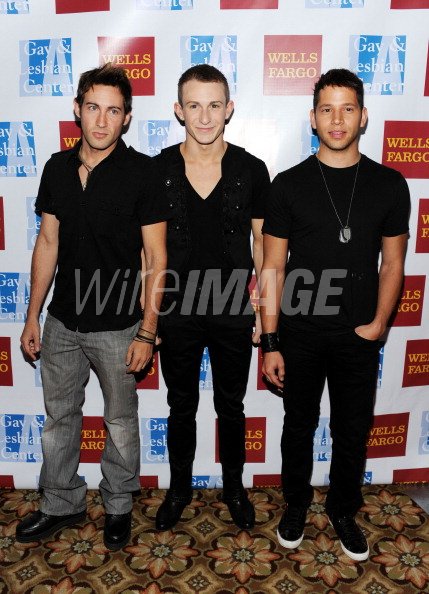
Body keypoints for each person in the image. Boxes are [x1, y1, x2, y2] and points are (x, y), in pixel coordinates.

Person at [16, 64, 167, 550]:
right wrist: (32, 316)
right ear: (78, 110)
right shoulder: (57, 169)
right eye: (93, 107)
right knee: (60, 418)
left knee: (121, 421)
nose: (102, 121)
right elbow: (47, 243)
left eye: (114, 111)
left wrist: (147, 331)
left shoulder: (143, 172)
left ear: (127, 118)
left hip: (120, 326)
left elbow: (156, 257)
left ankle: (118, 506)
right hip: (61, 322)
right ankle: (61, 502)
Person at [260, 68, 410, 561]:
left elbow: (394, 264)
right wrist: (271, 341)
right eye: (327, 109)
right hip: (299, 332)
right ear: (312, 118)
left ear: (363, 116)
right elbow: (273, 267)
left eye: (348, 108)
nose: (338, 118)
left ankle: (344, 508)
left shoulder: (390, 185)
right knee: (297, 425)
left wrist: (380, 324)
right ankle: (296, 505)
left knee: (352, 428)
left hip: (358, 335)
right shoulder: (288, 185)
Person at [154, 64, 270, 531]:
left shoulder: (251, 169)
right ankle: (178, 489)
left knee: (232, 406)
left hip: (232, 311)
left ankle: (235, 489)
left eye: (215, 105)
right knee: (179, 405)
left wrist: (266, 313)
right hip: (176, 311)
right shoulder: (158, 168)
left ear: (230, 108)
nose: (205, 116)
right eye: (195, 105)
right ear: (178, 110)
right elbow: (149, 250)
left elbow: (262, 245)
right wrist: (150, 319)